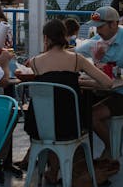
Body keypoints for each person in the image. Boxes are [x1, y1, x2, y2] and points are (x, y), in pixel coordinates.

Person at [24, 19, 112, 147]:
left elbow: (50, 82)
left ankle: (53, 166)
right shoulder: (77, 59)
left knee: (50, 118)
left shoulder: (34, 62)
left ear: (46, 38)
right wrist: (80, 83)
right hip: (71, 125)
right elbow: (108, 83)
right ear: (65, 36)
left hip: (40, 127)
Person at [75, 5, 123, 155]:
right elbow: (76, 53)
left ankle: (111, 149)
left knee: (92, 116)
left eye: (100, 26)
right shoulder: (99, 38)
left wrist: (116, 72)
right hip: (103, 90)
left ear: (114, 24)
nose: (98, 31)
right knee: (74, 111)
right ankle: (80, 156)